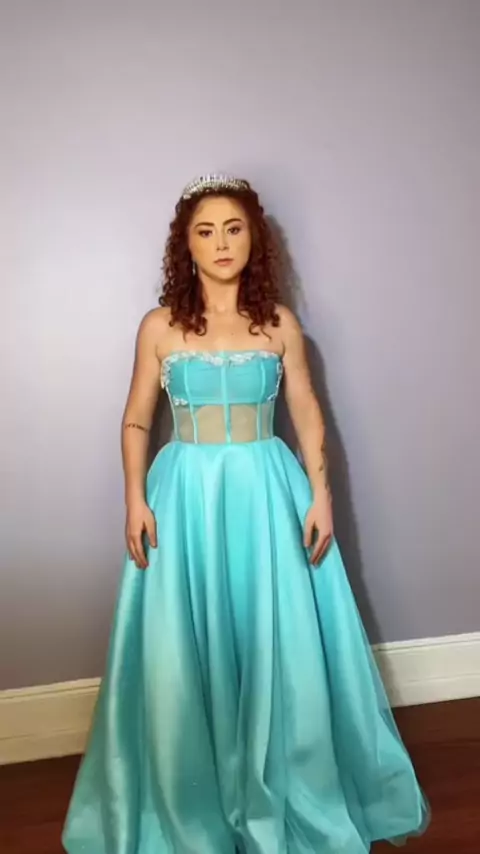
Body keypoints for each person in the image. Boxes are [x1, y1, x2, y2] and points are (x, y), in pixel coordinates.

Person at [62, 174, 429, 853]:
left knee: (277, 638)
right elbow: (137, 419)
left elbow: (308, 413)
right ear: (187, 246)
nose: (221, 242)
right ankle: (189, 795)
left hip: (265, 492)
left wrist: (321, 495)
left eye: (233, 228)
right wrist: (134, 498)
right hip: (185, 496)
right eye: (205, 231)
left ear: (253, 237)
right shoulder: (159, 327)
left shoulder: (280, 324)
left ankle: (287, 780)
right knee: (183, 645)